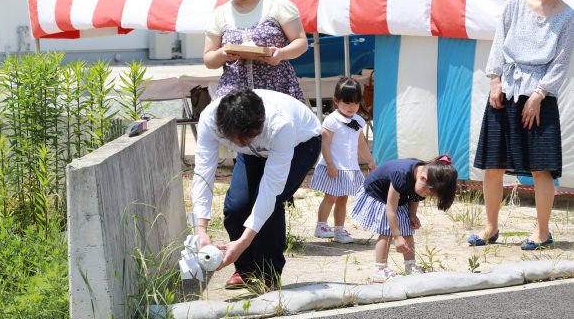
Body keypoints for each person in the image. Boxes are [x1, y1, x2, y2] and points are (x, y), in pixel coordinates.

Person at [470, 0, 574, 250]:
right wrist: (495, 81)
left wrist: (538, 94)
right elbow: (498, 42)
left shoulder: (568, 17)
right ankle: (490, 227)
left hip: (541, 95)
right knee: (494, 165)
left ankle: (542, 231)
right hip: (505, 89)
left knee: (542, 169)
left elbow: (561, 63)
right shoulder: (515, 3)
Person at [192, 88, 321, 290]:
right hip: (253, 154)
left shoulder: (280, 125)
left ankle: (268, 273)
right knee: (237, 206)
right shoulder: (210, 119)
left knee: (269, 205)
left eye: (249, 137)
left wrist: (244, 241)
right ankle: (245, 269)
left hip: (301, 144)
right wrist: (201, 229)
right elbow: (203, 172)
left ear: (260, 125)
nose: (240, 143)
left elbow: (270, 190)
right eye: (235, 140)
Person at [350, 156, 457, 283]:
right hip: (378, 194)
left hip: (398, 197)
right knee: (387, 231)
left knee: (407, 228)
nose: (427, 196)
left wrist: (412, 214)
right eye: (428, 194)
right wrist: (397, 236)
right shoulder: (401, 175)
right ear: (423, 178)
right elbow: (390, 209)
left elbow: (415, 196)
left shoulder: (424, 176)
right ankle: (380, 270)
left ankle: (410, 266)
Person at [203, 0, 308, 102]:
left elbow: (301, 42)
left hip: (277, 90)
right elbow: (208, 59)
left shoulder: (277, 4)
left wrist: (281, 54)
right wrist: (223, 53)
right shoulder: (220, 13)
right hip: (235, 97)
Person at [310, 77, 376, 244]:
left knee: (343, 198)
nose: (351, 107)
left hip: (349, 167)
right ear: (336, 101)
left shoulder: (359, 121)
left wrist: (369, 160)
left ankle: (339, 229)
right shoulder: (332, 120)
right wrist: (330, 164)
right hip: (333, 166)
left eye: (355, 103)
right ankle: (321, 226)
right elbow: (324, 144)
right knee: (330, 196)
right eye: (346, 103)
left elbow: (361, 143)